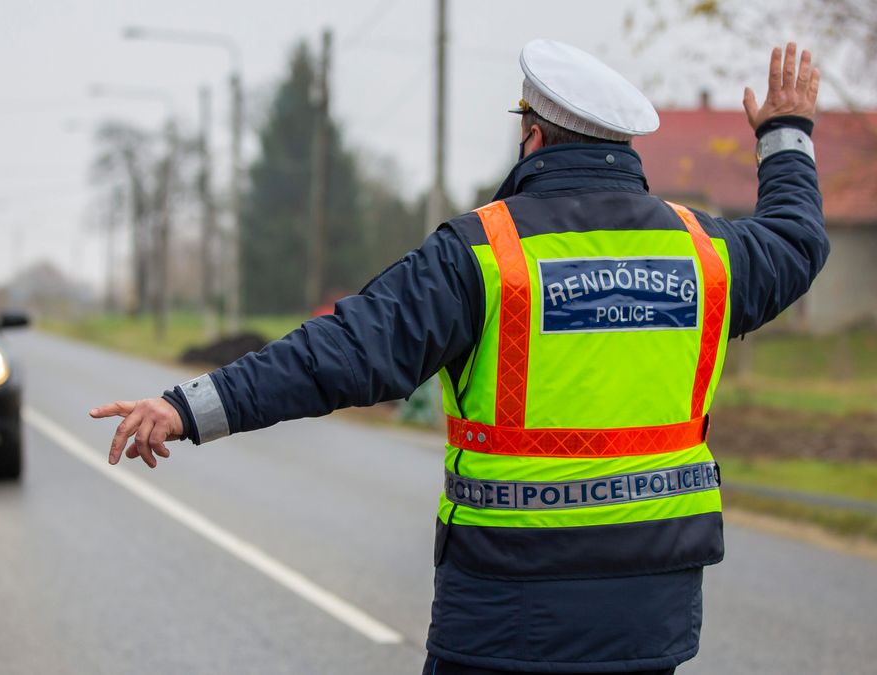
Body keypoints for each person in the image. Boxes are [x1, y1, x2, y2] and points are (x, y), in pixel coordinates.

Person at [91, 39, 828, 674]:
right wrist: (786, 134)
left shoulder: (485, 254)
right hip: (649, 618)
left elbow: (339, 352)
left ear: (534, 137)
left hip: (508, 618)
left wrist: (187, 409)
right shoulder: (704, 254)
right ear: (622, 150)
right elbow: (796, 241)